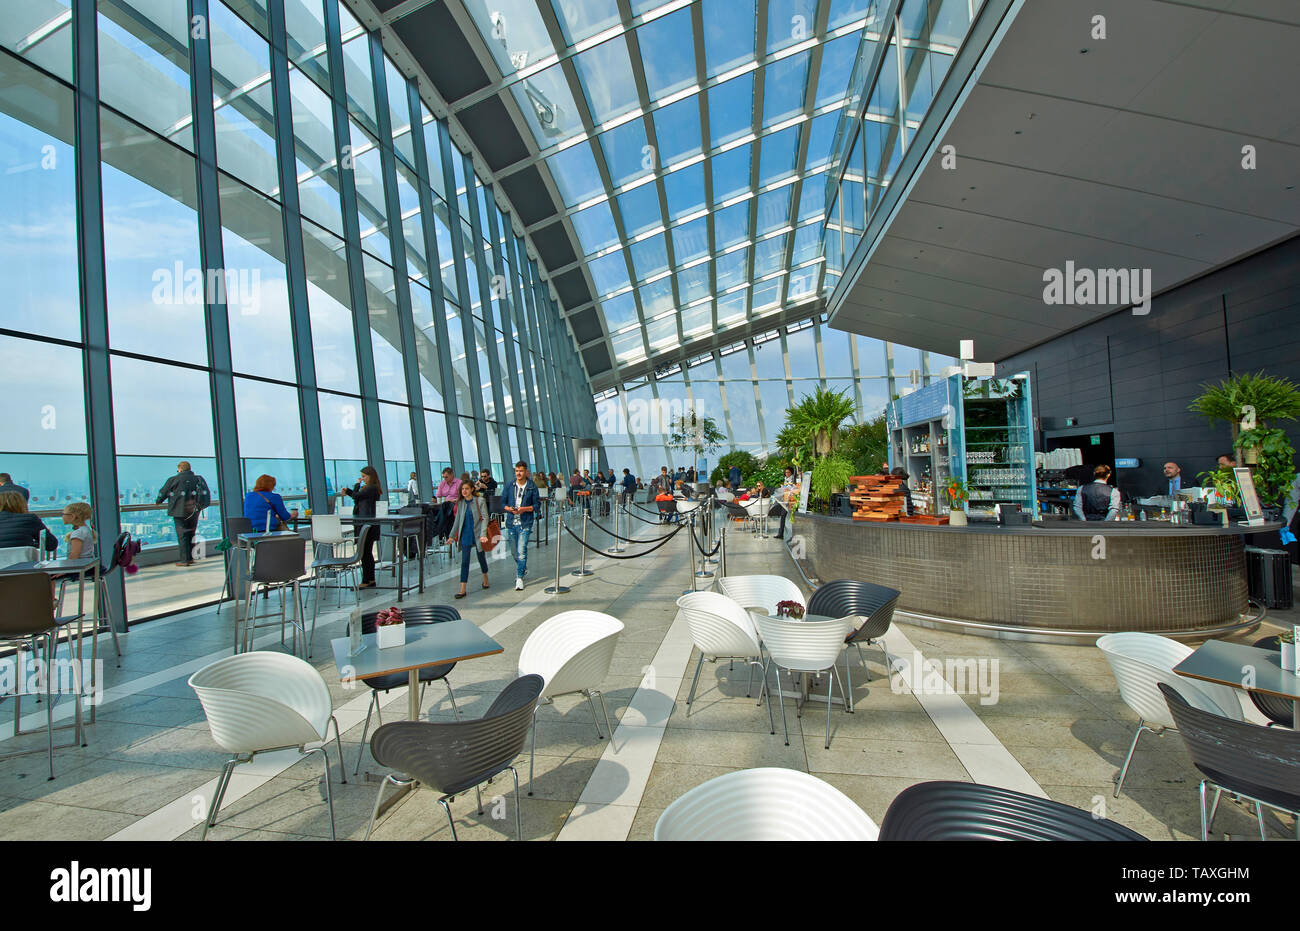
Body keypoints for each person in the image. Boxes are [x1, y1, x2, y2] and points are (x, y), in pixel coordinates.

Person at [156, 461, 211, 567]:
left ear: (180, 469)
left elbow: (163, 492)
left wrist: (158, 501)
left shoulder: (173, 479)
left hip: (179, 511)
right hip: (194, 510)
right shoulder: (198, 479)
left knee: (182, 535)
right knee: (191, 533)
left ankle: (184, 560)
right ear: (189, 469)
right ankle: (190, 558)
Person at [342, 466, 382, 588]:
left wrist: (352, 487)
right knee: (366, 552)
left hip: (367, 523)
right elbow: (357, 497)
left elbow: (356, 496)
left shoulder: (371, 488)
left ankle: (366, 580)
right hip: (367, 523)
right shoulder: (372, 488)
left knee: (365, 552)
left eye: (364, 476)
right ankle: (369, 579)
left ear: (371, 476)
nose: (362, 479)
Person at [502, 461, 540, 591]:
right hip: (511, 523)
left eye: (521, 471)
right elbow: (503, 503)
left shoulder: (532, 487)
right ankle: (523, 568)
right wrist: (509, 509)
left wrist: (524, 509)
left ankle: (519, 578)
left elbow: (536, 506)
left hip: (525, 523)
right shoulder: (509, 486)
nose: (519, 473)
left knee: (521, 551)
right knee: (514, 551)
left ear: (526, 472)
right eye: (517, 471)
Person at [450, 479, 490, 599]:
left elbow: (485, 518)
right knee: (465, 561)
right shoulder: (461, 503)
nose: (464, 491)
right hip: (466, 535)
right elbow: (457, 520)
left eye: (467, 489)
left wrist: (483, 534)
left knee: (481, 557)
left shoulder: (480, 500)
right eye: (462, 489)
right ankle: (462, 589)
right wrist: (452, 536)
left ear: (472, 489)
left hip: (478, 534)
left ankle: (485, 578)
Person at [773, 466, 798, 540]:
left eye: (788, 472)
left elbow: (795, 488)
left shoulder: (794, 479)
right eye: (786, 472)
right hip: (785, 500)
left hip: (791, 500)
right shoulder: (786, 480)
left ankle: (790, 534)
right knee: (783, 515)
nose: (786, 474)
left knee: (790, 516)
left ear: (791, 473)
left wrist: (789, 488)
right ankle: (781, 533)